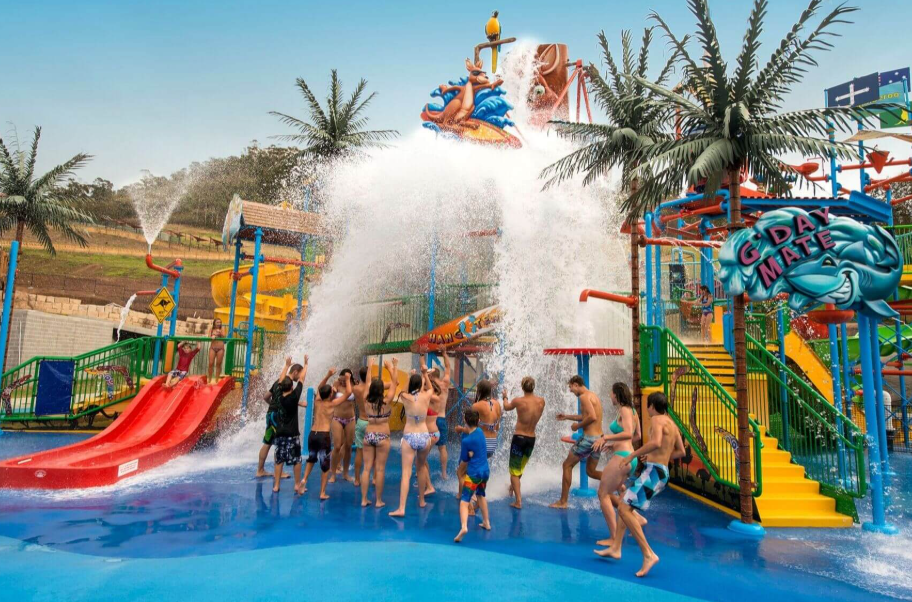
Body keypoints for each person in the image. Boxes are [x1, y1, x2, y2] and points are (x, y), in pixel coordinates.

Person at [598, 391, 685, 578]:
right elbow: (681, 452)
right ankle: (616, 547)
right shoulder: (673, 424)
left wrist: (633, 455)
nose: (647, 409)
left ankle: (648, 554)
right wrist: (658, 458)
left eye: (648, 406)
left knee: (623, 507)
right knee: (624, 504)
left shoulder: (656, 420)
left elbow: (655, 442)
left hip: (654, 472)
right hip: (660, 471)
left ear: (652, 406)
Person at [592, 382, 643, 548]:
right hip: (628, 456)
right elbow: (637, 436)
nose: (610, 396)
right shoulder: (633, 411)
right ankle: (636, 517)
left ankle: (614, 538)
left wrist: (606, 438)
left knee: (603, 494)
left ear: (617, 394)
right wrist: (615, 445)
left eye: (611, 393)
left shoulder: (625, 410)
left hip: (623, 457)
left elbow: (628, 433)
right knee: (619, 489)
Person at [550, 375, 604, 509]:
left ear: (576, 384)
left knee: (567, 465)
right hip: (598, 438)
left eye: (570, 387)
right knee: (591, 471)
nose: (570, 390)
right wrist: (567, 417)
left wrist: (577, 426)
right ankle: (617, 482)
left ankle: (563, 501)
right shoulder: (593, 396)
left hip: (589, 439)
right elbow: (586, 416)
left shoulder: (584, 397)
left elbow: (592, 417)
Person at [388, 365, 433, 517]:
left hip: (409, 436)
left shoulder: (405, 398)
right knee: (420, 468)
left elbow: (403, 391)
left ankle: (401, 508)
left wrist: (409, 376)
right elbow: (431, 388)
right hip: (424, 436)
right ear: (421, 386)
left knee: (406, 473)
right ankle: (421, 500)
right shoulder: (426, 396)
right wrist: (425, 374)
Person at [301, 373, 352, 500]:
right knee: (324, 466)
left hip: (312, 434)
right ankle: (322, 492)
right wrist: (347, 379)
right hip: (323, 436)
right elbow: (348, 393)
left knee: (311, 459)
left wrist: (328, 375)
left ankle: (304, 480)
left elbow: (320, 387)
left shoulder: (317, 401)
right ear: (330, 395)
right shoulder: (332, 404)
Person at [256, 357, 307, 478]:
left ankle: (260, 470)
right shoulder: (289, 384)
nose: (297, 378)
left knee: (267, 442)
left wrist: (275, 406)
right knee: (280, 442)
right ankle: (280, 472)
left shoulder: (278, 381)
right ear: (295, 372)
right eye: (298, 375)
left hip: (270, 414)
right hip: (277, 416)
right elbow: (289, 399)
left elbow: (266, 397)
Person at [360, 358, 399, 507]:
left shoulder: (366, 400)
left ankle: (364, 500)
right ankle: (378, 501)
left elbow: (368, 383)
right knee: (380, 469)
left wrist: (370, 367)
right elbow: (394, 383)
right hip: (383, 436)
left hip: (368, 435)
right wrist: (394, 366)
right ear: (383, 390)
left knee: (367, 468)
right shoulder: (387, 401)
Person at [503, 376, 545, 509]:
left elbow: (506, 407)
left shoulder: (518, 401)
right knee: (520, 468)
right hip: (531, 439)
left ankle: (518, 501)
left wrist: (505, 396)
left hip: (519, 438)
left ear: (522, 387)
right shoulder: (541, 402)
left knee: (514, 471)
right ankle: (512, 486)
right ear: (533, 387)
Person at [454, 409, 491, 543]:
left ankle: (464, 527)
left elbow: (465, 459)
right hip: (485, 472)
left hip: (474, 473)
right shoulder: (481, 432)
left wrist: (469, 455)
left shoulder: (466, 441)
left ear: (465, 421)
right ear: (479, 421)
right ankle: (486, 522)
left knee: (464, 501)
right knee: (481, 495)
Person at [271, 374, 309, 493]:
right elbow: (302, 379)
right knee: (296, 460)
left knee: (279, 459)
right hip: (292, 434)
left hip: (280, 433)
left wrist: (287, 365)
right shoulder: (294, 397)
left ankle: (276, 485)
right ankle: (297, 484)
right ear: (292, 387)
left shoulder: (277, 397)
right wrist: (306, 363)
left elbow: (280, 381)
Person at [320, 367, 357, 483]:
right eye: (340, 379)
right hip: (337, 418)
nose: (341, 382)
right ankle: (333, 473)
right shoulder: (336, 384)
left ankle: (345, 473)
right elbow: (328, 400)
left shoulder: (354, 386)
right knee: (336, 446)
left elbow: (357, 397)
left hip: (350, 419)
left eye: (344, 380)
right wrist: (334, 391)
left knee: (348, 446)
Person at [456, 379, 501, 459]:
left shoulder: (476, 406)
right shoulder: (497, 404)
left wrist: (460, 429)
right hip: (493, 444)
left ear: (479, 391)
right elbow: (497, 428)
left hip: (482, 443)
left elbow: (470, 429)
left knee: (465, 462)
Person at [428, 350, 452, 479]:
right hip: (441, 419)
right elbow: (448, 368)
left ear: (431, 376)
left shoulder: (429, 387)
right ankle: (444, 473)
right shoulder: (444, 384)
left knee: (424, 448)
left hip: (430, 420)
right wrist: (444, 353)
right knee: (442, 448)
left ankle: (420, 471)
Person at [207, 318, 225, 384]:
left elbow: (224, 336)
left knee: (218, 364)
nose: (219, 323)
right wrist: (212, 336)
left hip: (220, 348)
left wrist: (219, 333)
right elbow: (209, 337)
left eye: (220, 322)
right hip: (213, 348)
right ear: (214, 323)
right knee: (211, 363)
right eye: (217, 322)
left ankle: (217, 380)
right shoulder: (211, 329)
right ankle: (209, 379)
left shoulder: (222, 329)